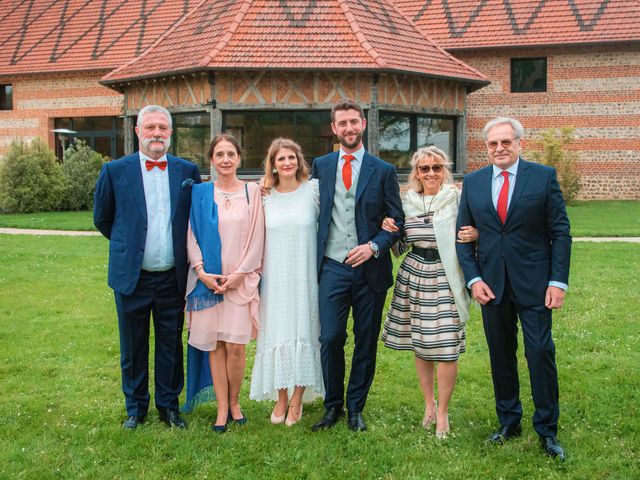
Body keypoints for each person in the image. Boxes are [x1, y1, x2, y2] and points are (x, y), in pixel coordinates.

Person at [456, 117, 571, 460]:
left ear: (520, 143)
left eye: (506, 142)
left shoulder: (543, 177)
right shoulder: (474, 183)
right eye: (493, 144)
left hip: (536, 284)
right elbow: (464, 236)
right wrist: (474, 280)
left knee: (539, 352)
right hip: (492, 286)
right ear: (486, 147)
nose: (499, 149)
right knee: (500, 355)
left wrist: (557, 281)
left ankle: (547, 429)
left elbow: (560, 233)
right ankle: (509, 421)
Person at [94, 104, 201, 429]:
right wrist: (131, 247)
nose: (157, 133)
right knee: (133, 345)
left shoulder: (187, 171)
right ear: (138, 131)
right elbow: (103, 218)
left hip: (173, 277)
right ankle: (135, 409)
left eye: (162, 128)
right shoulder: (115, 171)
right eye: (150, 127)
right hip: (132, 277)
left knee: (170, 344)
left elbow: (194, 218)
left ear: (170, 133)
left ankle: (168, 407)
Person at [311, 99, 404, 432]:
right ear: (334, 129)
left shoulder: (383, 170)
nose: (349, 128)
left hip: (370, 270)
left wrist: (375, 246)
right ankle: (332, 405)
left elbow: (397, 220)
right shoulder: (320, 165)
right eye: (342, 123)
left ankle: (355, 408)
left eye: (354, 122)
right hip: (332, 267)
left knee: (366, 339)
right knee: (331, 338)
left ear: (363, 125)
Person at [380, 146, 476, 439]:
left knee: (447, 347)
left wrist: (477, 233)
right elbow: (398, 246)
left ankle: (444, 412)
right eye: (425, 168)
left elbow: (476, 228)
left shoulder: (457, 199)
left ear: (444, 169)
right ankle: (429, 405)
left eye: (436, 167)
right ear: (416, 172)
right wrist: (387, 227)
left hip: (446, 276)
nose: (431, 173)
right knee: (421, 344)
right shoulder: (407, 201)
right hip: (415, 276)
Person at [185, 134, 264, 433]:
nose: (226, 159)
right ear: (212, 160)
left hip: (239, 282)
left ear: (239, 158)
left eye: (231, 154)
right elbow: (190, 233)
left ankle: (234, 403)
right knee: (215, 346)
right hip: (208, 283)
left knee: (235, 347)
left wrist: (238, 276)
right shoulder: (201, 193)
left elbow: (258, 236)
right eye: (220, 154)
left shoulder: (252, 192)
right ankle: (220, 408)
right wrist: (202, 271)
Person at [249, 138, 324, 427]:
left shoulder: (313, 191)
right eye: (281, 159)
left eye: (291, 157)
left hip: (305, 276)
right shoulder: (263, 195)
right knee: (277, 332)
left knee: (305, 329)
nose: (287, 163)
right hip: (275, 277)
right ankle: (281, 397)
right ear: (273, 164)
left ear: (299, 160)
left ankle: (298, 397)